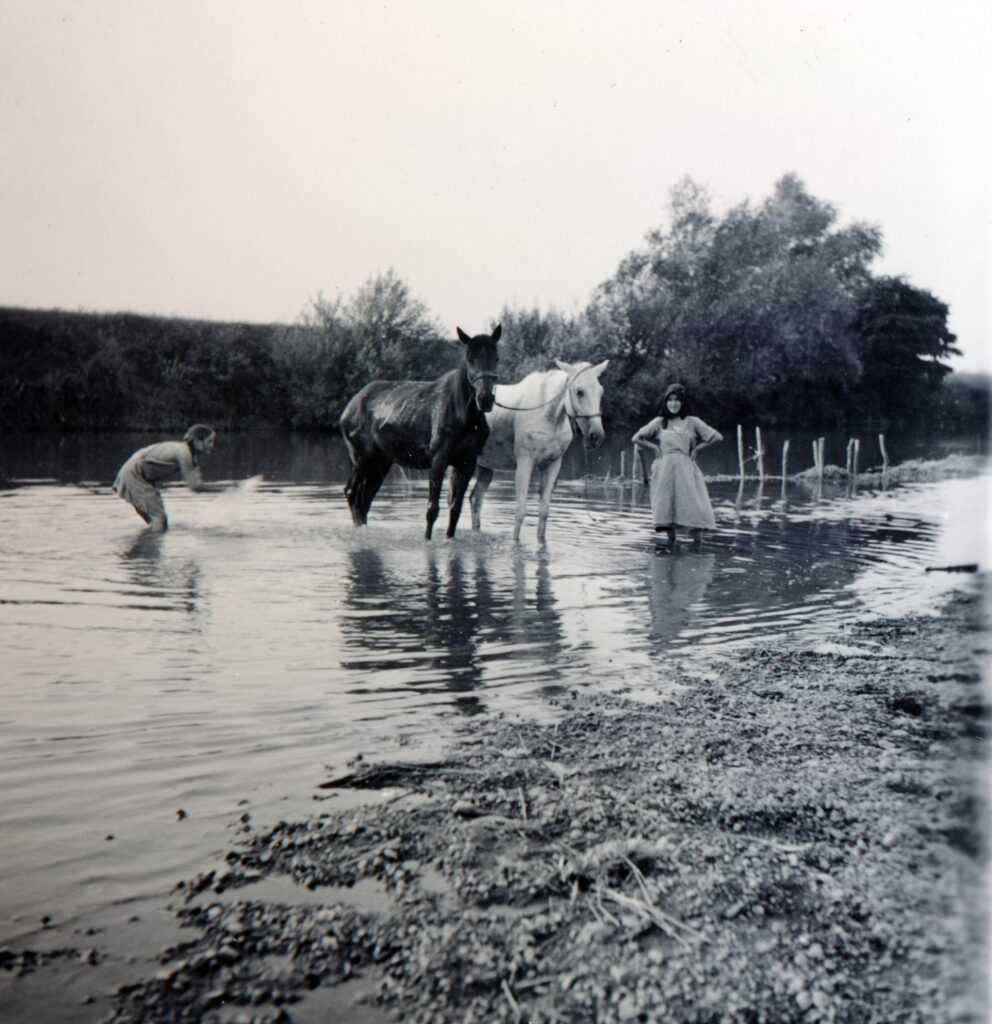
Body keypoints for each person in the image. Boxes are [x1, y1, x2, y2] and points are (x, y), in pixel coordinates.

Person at [632, 384, 722, 549]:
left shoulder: (693, 422)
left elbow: (716, 437)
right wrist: (654, 447)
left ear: (683, 403)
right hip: (665, 469)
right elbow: (637, 438)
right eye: (670, 400)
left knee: (693, 507)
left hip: (686, 470)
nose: (673, 404)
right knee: (668, 507)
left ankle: (697, 551)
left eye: (677, 400)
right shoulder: (660, 422)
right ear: (666, 402)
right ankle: (671, 548)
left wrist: (697, 448)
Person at [112, 424, 216, 531]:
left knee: (157, 522)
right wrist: (227, 490)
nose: (212, 445)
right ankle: (153, 543)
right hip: (135, 473)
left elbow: (196, 483)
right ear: (197, 441)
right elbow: (195, 487)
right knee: (160, 518)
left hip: (137, 474)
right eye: (209, 441)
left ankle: (147, 543)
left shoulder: (186, 453)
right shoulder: (184, 452)